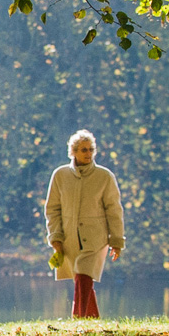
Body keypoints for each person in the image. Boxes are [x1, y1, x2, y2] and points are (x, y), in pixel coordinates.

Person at [44, 130, 125, 318]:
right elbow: (52, 209)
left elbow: (114, 210)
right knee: (82, 280)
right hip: (70, 238)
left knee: (83, 274)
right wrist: (55, 237)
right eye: (83, 150)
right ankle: (91, 320)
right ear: (73, 152)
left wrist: (117, 240)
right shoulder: (60, 175)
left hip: (96, 238)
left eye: (91, 149)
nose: (88, 154)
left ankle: (78, 318)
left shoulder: (105, 176)